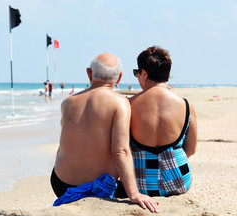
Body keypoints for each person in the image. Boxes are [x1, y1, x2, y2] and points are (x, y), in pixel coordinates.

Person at [51, 53, 159, 213]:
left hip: (61, 183)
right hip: (100, 187)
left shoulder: (68, 102)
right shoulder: (120, 103)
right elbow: (120, 151)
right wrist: (134, 194)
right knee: (143, 186)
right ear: (120, 77)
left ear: (89, 73)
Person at [129, 46, 197, 196]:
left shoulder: (128, 105)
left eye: (137, 73)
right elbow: (191, 150)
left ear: (144, 74)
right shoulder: (186, 105)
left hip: (141, 184)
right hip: (180, 180)